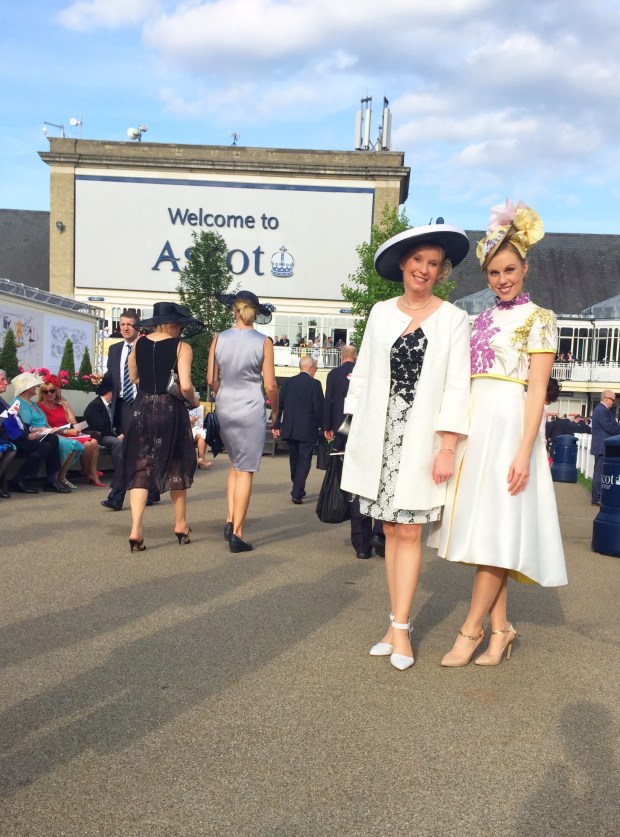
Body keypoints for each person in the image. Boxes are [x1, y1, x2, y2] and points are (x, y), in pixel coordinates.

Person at [436, 199, 567, 668]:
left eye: (509, 269)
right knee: (489, 530)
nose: (502, 279)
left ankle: (470, 630)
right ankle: (501, 629)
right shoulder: (481, 318)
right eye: (493, 272)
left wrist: (524, 449)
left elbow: (537, 392)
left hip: (512, 429)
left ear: (525, 267)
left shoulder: (541, 318)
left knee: (496, 530)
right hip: (478, 426)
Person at [340, 222, 472, 670]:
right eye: (418, 260)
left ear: (441, 273)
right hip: (379, 433)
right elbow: (362, 375)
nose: (425, 269)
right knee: (390, 530)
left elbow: (457, 387)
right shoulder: (379, 312)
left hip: (422, 435)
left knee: (411, 529)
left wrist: (448, 446)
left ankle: (401, 629)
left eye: (433, 264)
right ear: (403, 264)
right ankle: (396, 623)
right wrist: (351, 428)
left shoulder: (454, 320)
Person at [114, 302, 203, 552]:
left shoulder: (138, 344)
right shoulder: (181, 347)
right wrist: (194, 400)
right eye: (180, 326)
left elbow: (133, 378)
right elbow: (184, 385)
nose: (180, 331)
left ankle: (136, 530)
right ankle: (181, 525)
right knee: (177, 464)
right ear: (173, 323)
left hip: (142, 407)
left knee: (140, 467)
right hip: (169, 408)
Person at [208, 290, 278, 553]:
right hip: (250, 405)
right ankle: (237, 532)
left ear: (233, 311)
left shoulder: (219, 338)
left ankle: (229, 518)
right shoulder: (264, 341)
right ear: (255, 313)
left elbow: (210, 379)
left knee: (235, 463)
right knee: (246, 468)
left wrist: (221, 393)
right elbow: (270, 384)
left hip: (226, 402)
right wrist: (276, 410)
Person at [323, 345, 383, 558]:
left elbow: (331, 402)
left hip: (349, 435)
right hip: (379, 436)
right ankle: (380, 534)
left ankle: (362, 545)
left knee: (356, 491)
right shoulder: (377, 376)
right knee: (379, 489)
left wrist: (331, 432)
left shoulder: (335, 374)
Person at [103, 309, 159, 510]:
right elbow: (113, 375)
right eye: (122, 324)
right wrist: (100, 381)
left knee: (140, 449)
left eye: (129, 324)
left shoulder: (147, 346)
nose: (125, 328)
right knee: (132, 449)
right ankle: (147, 491)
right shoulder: (115, 349)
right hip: (124, 405)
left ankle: (117, 496)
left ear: (137, 326)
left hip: (143, 402)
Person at [4, 372, 70, 494]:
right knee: (45, 446)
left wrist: (38, 430)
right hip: (20, 439)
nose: (36, 387)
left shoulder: (32, 403)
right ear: (27, 388)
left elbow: (30, 424)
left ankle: (51, 480)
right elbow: (18, 425)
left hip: (33, 435)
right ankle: (18, 480)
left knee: (53, 439)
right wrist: (31, 433)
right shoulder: (17, 403)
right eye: (33, 385)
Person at [273, 355, 324, 505]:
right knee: (304, 460)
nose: (315, 371)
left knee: (294, 460)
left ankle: (297, 487)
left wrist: (276, 426)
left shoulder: (288, 383)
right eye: (315, 368)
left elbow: (279, 405)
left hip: (290, 428)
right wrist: (323, 427)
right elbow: (319, 408)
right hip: (308, 429)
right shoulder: (315, 384)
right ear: (310, 368)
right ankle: (297, 491)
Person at [37, 376, 103, 488]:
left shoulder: (60, 405)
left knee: (94, 442)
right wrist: (68, 430)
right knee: (87, 444)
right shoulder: (40, 407)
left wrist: (67, 406)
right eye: (46, 391)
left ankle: (92, 472)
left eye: (52, 390)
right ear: (42, 393)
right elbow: (47, 427)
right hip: (57, 435)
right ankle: (85, 472)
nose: (49, 394)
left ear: (56, 392)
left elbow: (73, 422)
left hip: (69, 433)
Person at [83, 374, 124, 488]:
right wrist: (116, 437)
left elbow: (116, 422)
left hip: (108, 433)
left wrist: (120, 433)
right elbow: (100, 427)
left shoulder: (110, 405)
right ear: (109, 393)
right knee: (117, 443)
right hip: (98, 436)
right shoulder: (95, 406)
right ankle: (119, 472)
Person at [591, 390, 619, 506]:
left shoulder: (601, 410)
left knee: (600, 472)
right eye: (613, 400)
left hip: (602, 445)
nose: (613, 403)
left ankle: (598, 496)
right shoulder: (601, 410)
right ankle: (596, 497)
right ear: (607, 398)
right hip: (602, 446)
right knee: (599, 473)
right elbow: (609, 428)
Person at [0, 369, 17, 497]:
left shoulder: (2, 400)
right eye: (2, 380)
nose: (6, 382)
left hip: (3, 436)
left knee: (11, 449)